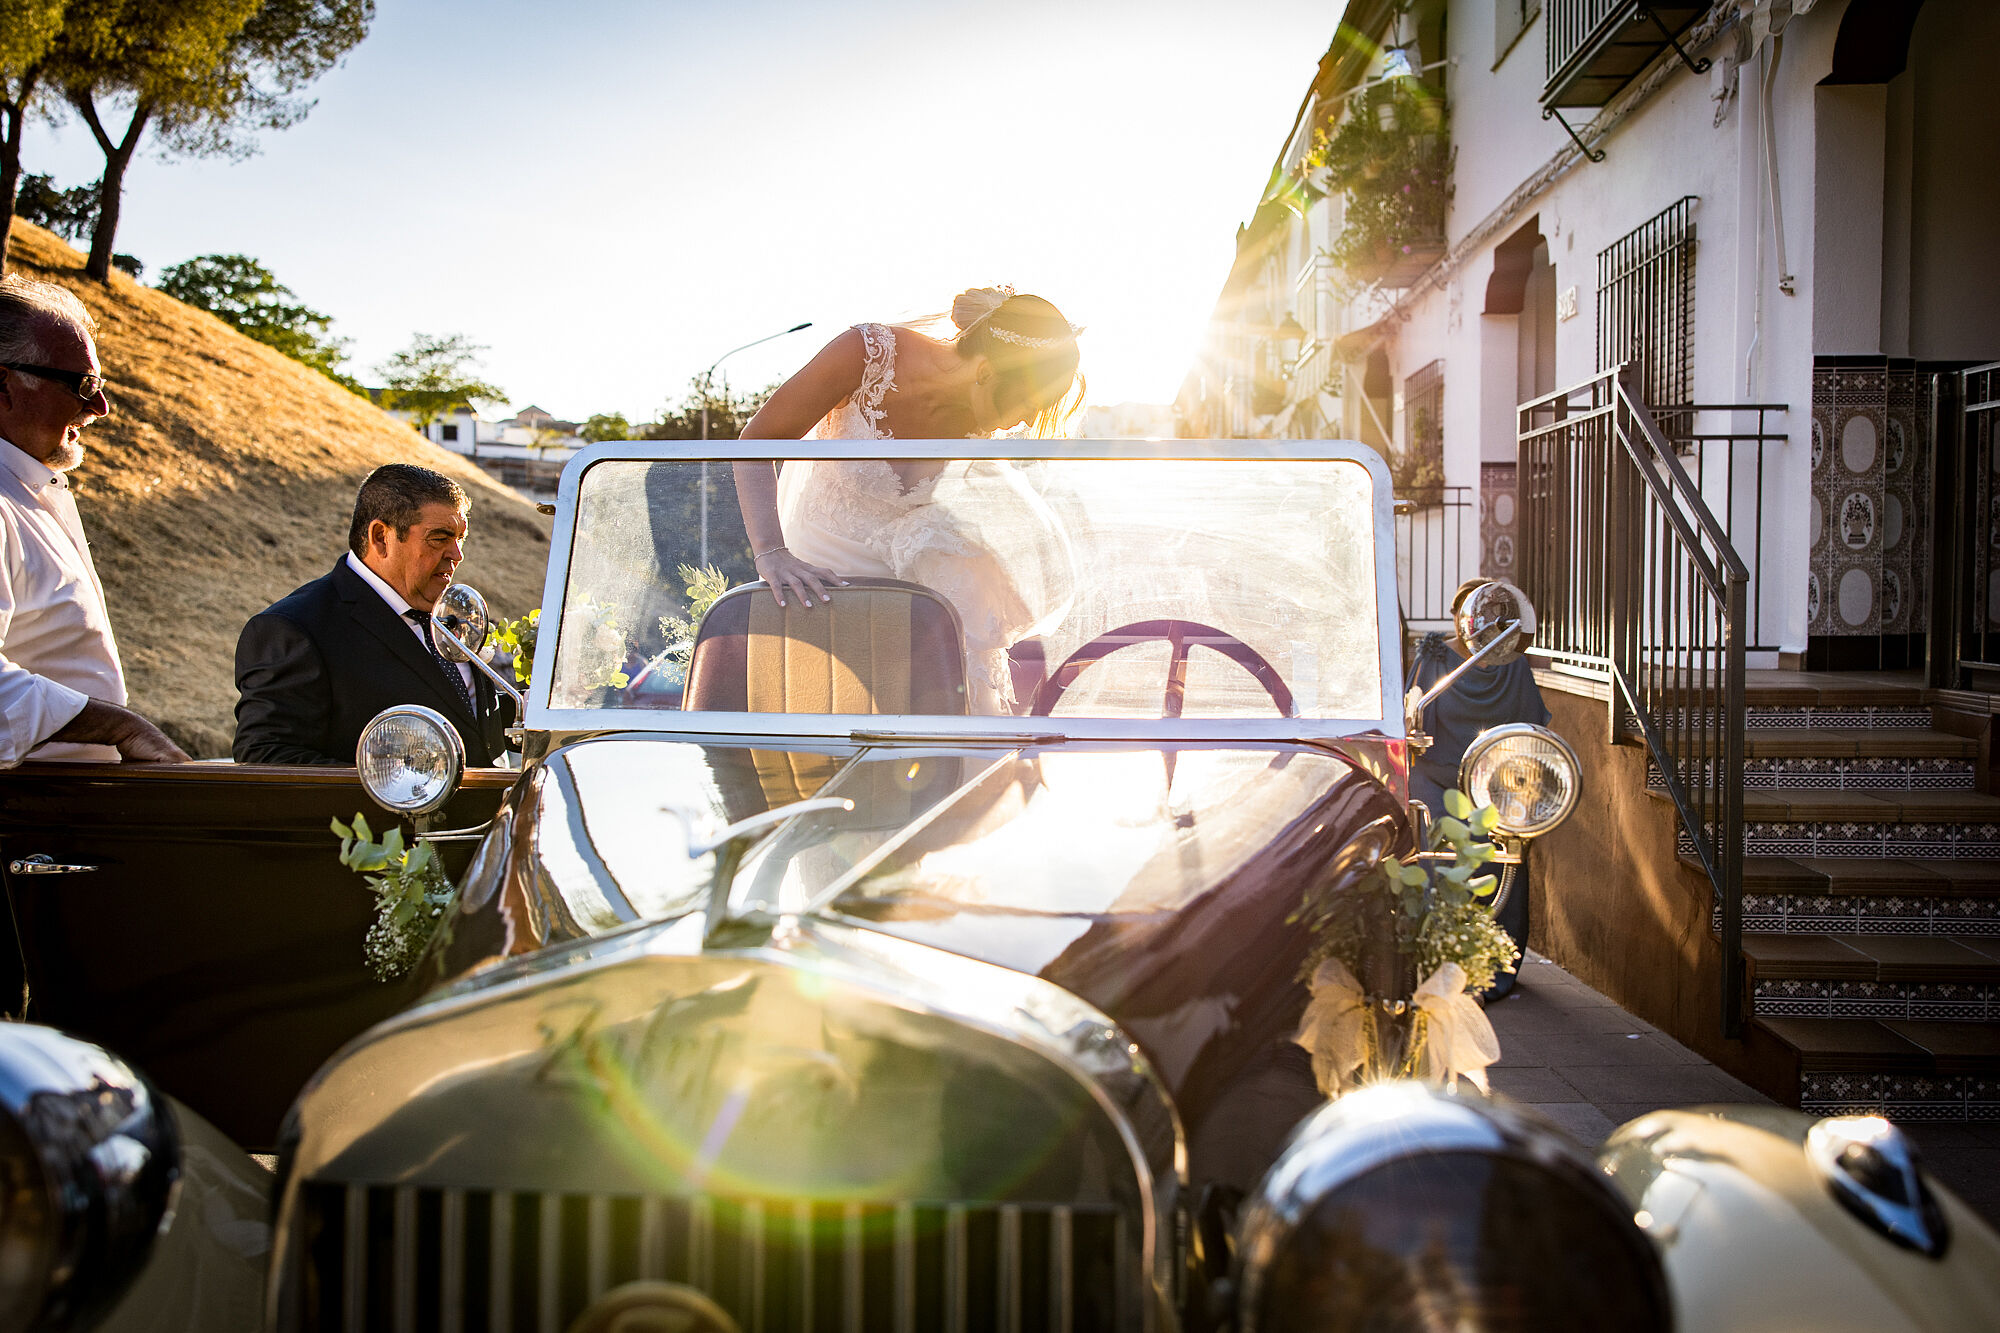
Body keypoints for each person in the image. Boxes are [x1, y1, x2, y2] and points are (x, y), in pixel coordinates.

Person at [732, 287, 1083, 713]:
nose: (1026, 419)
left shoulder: (980, 426)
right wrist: (771, 552)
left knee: (941, 715)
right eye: (1026, 402)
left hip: (915, 595)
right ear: (986, 371)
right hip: (823, 576)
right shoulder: (866, 354)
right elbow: (757, 441)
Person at [0, 275, 188, 767]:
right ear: (3, 384)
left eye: (98, 386)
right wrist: (119, 726)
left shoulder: (30, 491)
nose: (100, 407)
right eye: (83, 384)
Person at [233, 463, 515, 766]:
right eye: (440, 538)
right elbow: (265, 756)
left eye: (460, 538)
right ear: (381, 537)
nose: (457, 554)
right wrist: (395, 784)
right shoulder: (294, 629)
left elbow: (464, 712)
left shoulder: (448, 611)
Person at [1408, 608, 1551, 1002]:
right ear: (1461, 617)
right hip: (1437, 779)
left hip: (1494, 784)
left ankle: (1491, 969)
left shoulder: (1514, 664)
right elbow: (1414, 717)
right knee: (1436, 863)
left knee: (1502, 866)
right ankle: (1434, 963)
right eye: (1475, 613)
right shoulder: (1435, 656)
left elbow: (1531, 727)